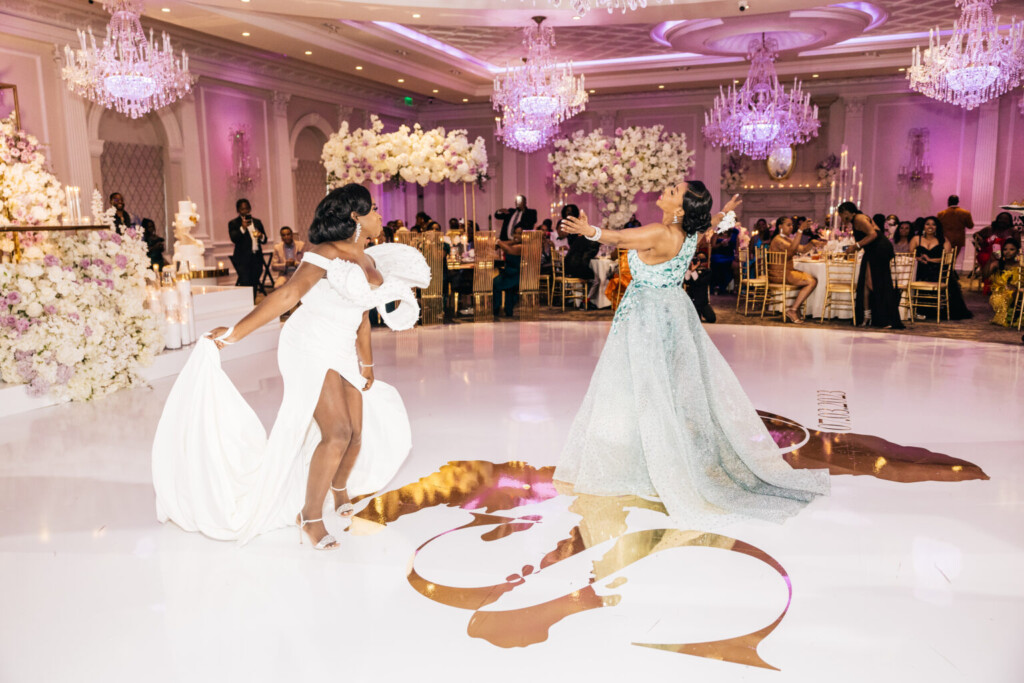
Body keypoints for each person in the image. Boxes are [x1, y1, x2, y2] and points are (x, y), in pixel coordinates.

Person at [152, 184, 430, 548]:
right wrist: (235, 333)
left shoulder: (369, 258)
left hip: (342, 346)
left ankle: (338, 489)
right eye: (374, 210)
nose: (380, 216)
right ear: (355, 217)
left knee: (356, 433)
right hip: (309, 344)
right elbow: (287, 294)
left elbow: (362, 315)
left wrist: (367, 363)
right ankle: (309, 517)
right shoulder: (325, 253)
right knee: (338, 432)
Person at [554, 182, 828, 527]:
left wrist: (588, 230)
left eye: (673, 191)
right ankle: (658, 454)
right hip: (674, 313)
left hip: (648, 318)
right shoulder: (690, 233)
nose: (665, 190)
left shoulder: (659, 232)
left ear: (681, 208)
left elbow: (619, 239)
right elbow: (708, 224)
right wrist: (724, 211)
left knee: (642, 389)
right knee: (665, 388)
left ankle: (650, 462)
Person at [838, 201, 905, 329]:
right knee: (866, 283)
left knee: (873, 283)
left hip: (878, 250)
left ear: (846, 212)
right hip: (872, 251)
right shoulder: (857, 219)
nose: (841, 218)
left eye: (841, 215)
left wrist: (856, 246)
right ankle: (867, 316)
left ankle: (884, 317)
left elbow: (873, 234)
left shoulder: (859, 218)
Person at [909, 216, 972, 320]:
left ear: (937, 227)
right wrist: (919, 258)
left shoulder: (943, 240)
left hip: (938, 270)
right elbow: (911, 255)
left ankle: (936, 309)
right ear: (923, 226)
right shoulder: (916, 239)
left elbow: (947, 259)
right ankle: (918, 309)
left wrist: (930, 260)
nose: (930, 226)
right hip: (920, 270)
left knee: (938, 277)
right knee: (918, 276)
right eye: (927, 224)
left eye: (933, 224)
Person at [768, 216, 820, 323]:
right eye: (788, 225)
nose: (791, 227)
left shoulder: (786, 239)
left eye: (792, 225)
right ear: (780, 226)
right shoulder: (778, 240)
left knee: (812, 279)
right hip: (779, 274)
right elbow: (792, 250)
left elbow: (802, 249)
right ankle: (793, 310)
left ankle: (796, 308)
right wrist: (800, 230)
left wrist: (812, 243)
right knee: (811, 282)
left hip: (786, 272)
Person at [228, 198, 267, 296]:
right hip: (242, 259)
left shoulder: (257, 222)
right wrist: (243, 228)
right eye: (242, 209)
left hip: (256, 258)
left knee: (254, 282)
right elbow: (234, 239)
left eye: (246, 208)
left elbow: (265, 239)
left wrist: (261, 236)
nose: (245, 211)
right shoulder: (234, 223)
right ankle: (246, 303)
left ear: (250, 208)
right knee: (245, 282)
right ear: (238, 210)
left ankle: (252, 302)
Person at [985, 239, 1021, 326]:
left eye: (1012, 249)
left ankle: (1015, 316)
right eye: (1005, 249)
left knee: (1017, 293)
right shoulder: (997, 264)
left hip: (1016, 293)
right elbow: (985, 275)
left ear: (1017, 251)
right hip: (999, 295)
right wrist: (990, 260)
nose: (1008, 252)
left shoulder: (1020, 265)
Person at [562, 204, 600, 284]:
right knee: (597, 278)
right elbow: (585, 259)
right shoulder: (592, 242)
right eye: (567, 211)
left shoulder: (580, 237)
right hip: (575, 267)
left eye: (571, 211)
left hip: (568, 264)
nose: (569, 213)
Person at [493, 228, 524, 317]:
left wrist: (498, 241)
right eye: (515, 233)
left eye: (519, 233)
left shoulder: (523, 246)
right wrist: (513, 241)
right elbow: (503, 245)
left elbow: (509, 250)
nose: (517, 235)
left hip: (517, 275)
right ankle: (506, 310)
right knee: (498, 282)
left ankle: (496, 308)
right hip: (509, 273)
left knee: (496, 283)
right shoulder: (514, 244)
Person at [684, 251, 715, 323]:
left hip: (702, 301)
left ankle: (702, 313)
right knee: (696, 320)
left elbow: (699, 282)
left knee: (711, 318)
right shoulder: (691, 270)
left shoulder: (708, 272)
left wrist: (693, 271)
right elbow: (686, 281)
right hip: (693, 301)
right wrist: (690, 270)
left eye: (703, 260)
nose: (700, 262)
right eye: (698, 259)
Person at [709, 226, 737, 294]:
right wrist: (721, 244)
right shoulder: (716, 234)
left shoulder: (733, 235)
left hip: (729, 257)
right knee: (718, 265)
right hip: (717, 256)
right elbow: (713, 246)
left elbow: (736, 248)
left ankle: (724, 287)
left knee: (733, 266)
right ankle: (716, 286)